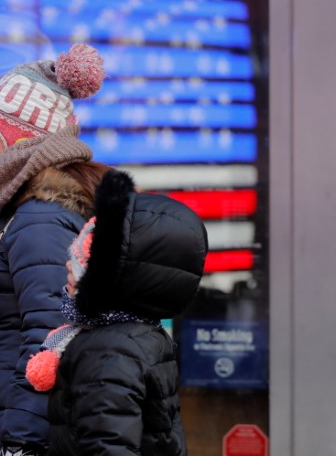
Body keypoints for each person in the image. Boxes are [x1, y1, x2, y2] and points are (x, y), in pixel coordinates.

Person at [0, 43, 111, 456]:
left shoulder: (39, 220)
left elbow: (50, 340)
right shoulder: (18, 216)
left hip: (9, 435)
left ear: (23, 140)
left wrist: (20, 446)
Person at [25, 169, 208, 455]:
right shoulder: (141, 334)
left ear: (108, 278)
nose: (68, 267)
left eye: (81, 261)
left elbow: (107, 445)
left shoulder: (106, 350)